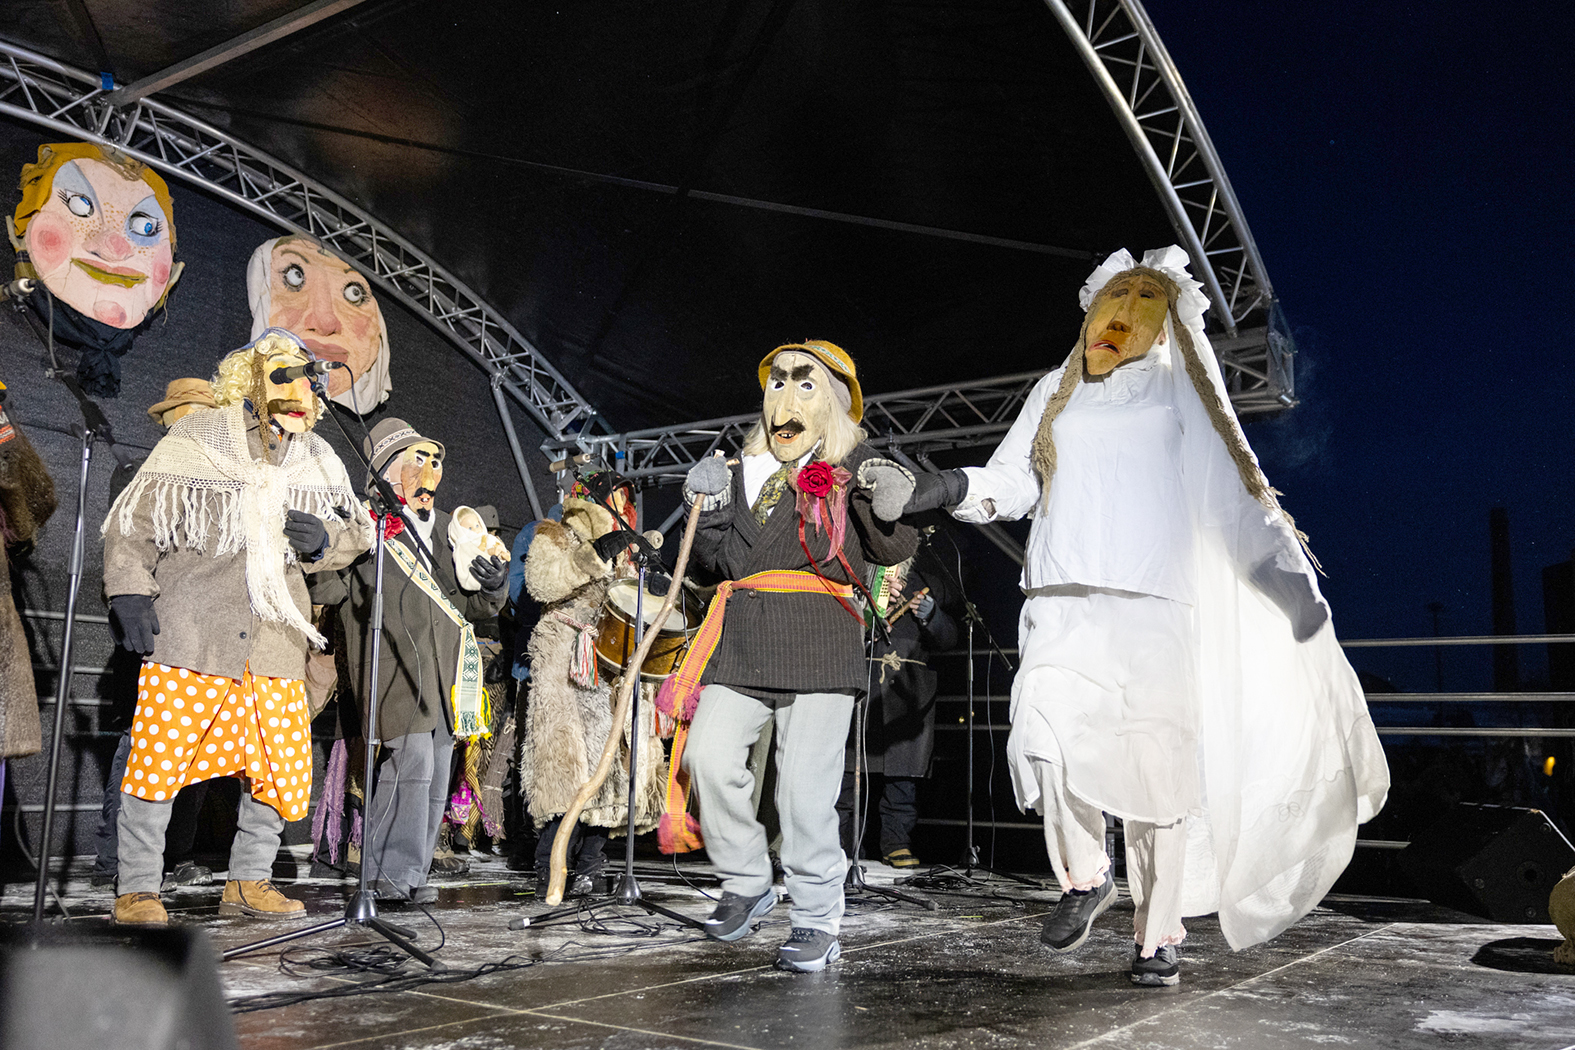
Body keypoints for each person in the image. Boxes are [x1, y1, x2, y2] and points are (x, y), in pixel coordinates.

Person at [907, 247, 1389, 986]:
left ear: (1167, 318)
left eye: (1144, 295)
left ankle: (1156, 934)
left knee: (1155, 778)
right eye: (1116, 293)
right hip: (1062, 593)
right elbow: (1016, 478)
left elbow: (1234, 492)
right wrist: (946, 486)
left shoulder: (1182, 387)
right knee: (1043, 736)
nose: (1124, 308)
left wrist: (1293, 589)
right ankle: (1086, 876)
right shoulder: (1056, 390)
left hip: (1155, 601)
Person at [101, 329, 374, 926]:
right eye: (284, 376)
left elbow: (358, 531)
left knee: (278, 768)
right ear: (249, 380)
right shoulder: (201, 436)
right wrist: (129, 589)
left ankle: (249, 880)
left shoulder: (316, 457)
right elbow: (135, 521)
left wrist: (326, 541)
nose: (300, 391)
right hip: (195, 631)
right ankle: (137, 887)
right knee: (158, 763)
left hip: (276, 641)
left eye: (307, 382)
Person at [663, 340, 919, 972]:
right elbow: (711, 563)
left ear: (834, 402)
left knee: (804, 794)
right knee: (707, 756)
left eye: (805, 385)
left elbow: (891, 549)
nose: (786, 399)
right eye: (776, 383)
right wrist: (704, 506)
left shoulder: (852, 465)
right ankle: (747, 880)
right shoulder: (741, 469)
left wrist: (888, 499)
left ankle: (815, 917)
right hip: (744, 637)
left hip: (820, 638)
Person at [333, 418, 508, 903]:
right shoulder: (364, 522)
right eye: (418, 460)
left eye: (436, 463)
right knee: (410, 764)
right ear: (387, 467)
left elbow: (468, 605)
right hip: (392, 666)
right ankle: (387, 876)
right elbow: (331, 586)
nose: (431, 472)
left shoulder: (447, 529)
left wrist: (492, 587)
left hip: (443, 670)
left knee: (434, 774)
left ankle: (411, 874)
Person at [92, 378, 221, 891]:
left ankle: (176, 854)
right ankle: (116, 860)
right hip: (151, 628)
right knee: (141, 748)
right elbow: (126, 544)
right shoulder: (142, 471)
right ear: (170, 421)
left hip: (203, 633)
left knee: (194, 748)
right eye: (191, 414)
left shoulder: (222, 482)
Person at [518, 472, 667, 897]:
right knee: (566, 766)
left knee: (612, 764)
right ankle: (552, 861)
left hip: (614, 660)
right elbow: (541, 583)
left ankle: (590, 862)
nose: (622, 504)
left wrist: (654, 585)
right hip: (568, 657)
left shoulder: (630, 551)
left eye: (627, 498)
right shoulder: (557, 534)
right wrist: (594, 554)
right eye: (615, 496)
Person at [837, 558, 958, 868]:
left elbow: (949, 638)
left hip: (907, 688)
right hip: (861, 679)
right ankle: (841, 844)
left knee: (902, 775)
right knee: (848, 771)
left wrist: (931, 615)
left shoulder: (926, 580)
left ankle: (896, 842)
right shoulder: (855, 575)